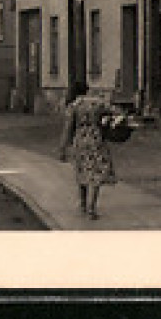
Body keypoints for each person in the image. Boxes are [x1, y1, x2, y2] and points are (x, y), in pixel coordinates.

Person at [57, 80, 116, 219]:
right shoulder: (98, 103)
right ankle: (92, 208)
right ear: (87, 90)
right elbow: (114, 112)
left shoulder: (73, 106)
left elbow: (68, 129)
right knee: (96, 172)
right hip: (96, 139)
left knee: (82, 171)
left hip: (80, 140)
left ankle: (83, 204)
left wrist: (63, 148)